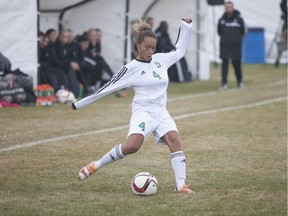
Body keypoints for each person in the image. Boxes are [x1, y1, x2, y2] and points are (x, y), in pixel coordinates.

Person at [71, 18, 194, 193]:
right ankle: (94, 165)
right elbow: (107, 87)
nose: (151, 51)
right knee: (132, 146)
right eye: (147, 47)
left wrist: (186, 27)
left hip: (160, 111)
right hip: (143, 111)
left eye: (153, 47)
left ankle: (181, 185)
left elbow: (180, 50)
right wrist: (79, 104)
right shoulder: (130, 69)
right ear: (138, 45)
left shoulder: (161, 60)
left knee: (175, 141)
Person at [218, 1, 246, 90]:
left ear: (233, 8)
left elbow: (243, 32)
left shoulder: (239, 19)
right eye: (227, 8)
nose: (228, 9)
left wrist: (237, 39)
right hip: (225, 46)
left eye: (230, 7)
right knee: (225, 65)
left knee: (237, 64)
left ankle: (240, 82)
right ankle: (224, 83)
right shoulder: (221, 20)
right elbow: (219, 31)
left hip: (236, 46)